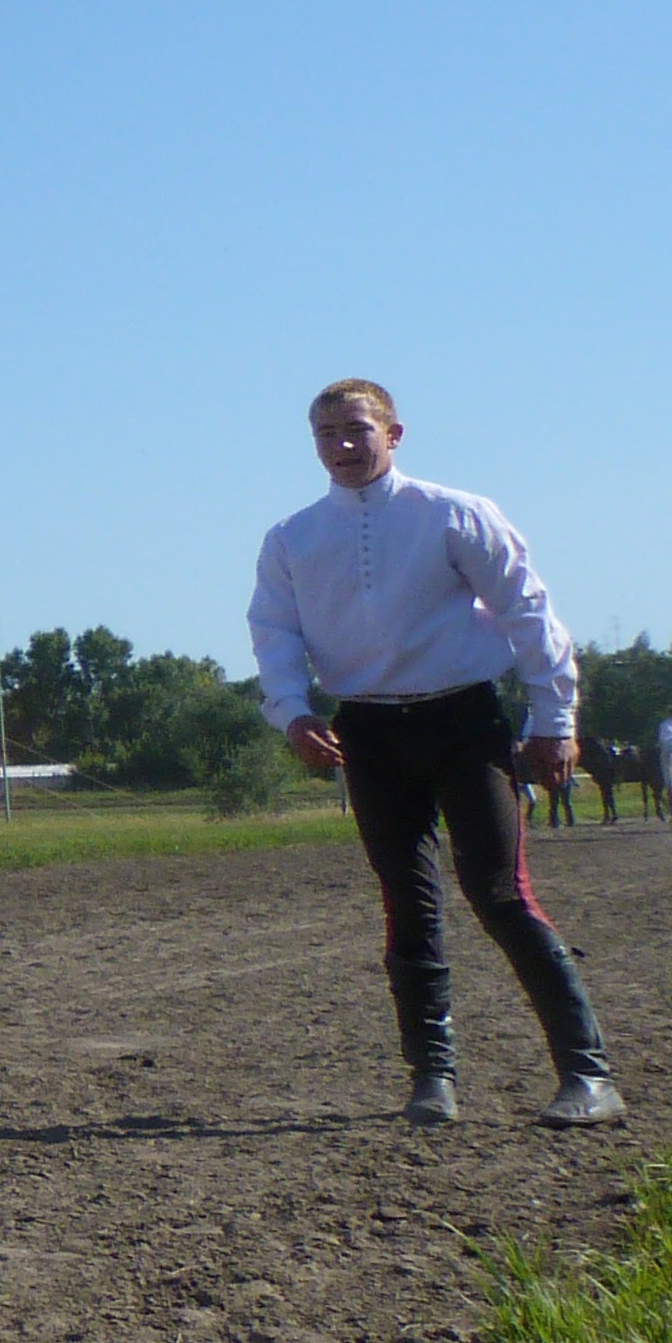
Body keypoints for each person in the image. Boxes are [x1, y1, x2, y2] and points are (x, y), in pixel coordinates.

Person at [250, 380, 620, 1127]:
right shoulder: (291, 538)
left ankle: (588, 1074)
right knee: (407, 899)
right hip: (368, 732)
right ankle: (431, 1078)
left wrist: (554, 718)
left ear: (394, 434)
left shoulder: (455, 513)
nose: (341, 446)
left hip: (463, 723)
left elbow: (526, 610)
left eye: (356, 429)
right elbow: (275, 633)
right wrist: (292, 713)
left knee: (499, 892)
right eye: (326, 434)